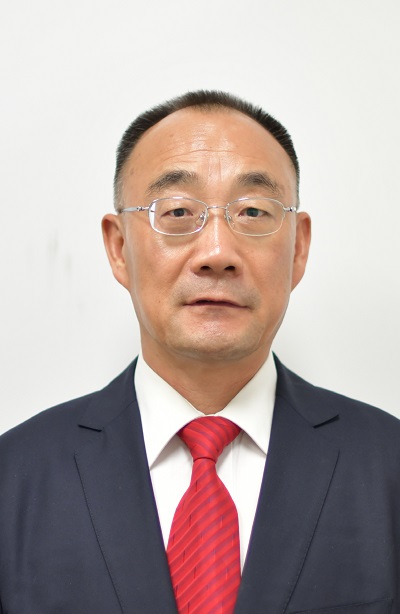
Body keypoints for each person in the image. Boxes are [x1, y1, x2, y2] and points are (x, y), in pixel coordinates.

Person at [0, 90, 399, 614]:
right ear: (118, 248)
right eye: (177, 211)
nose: (216, 253)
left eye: (253, 211)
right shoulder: (14, 478)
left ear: (299, 249)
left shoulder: (388, 466)